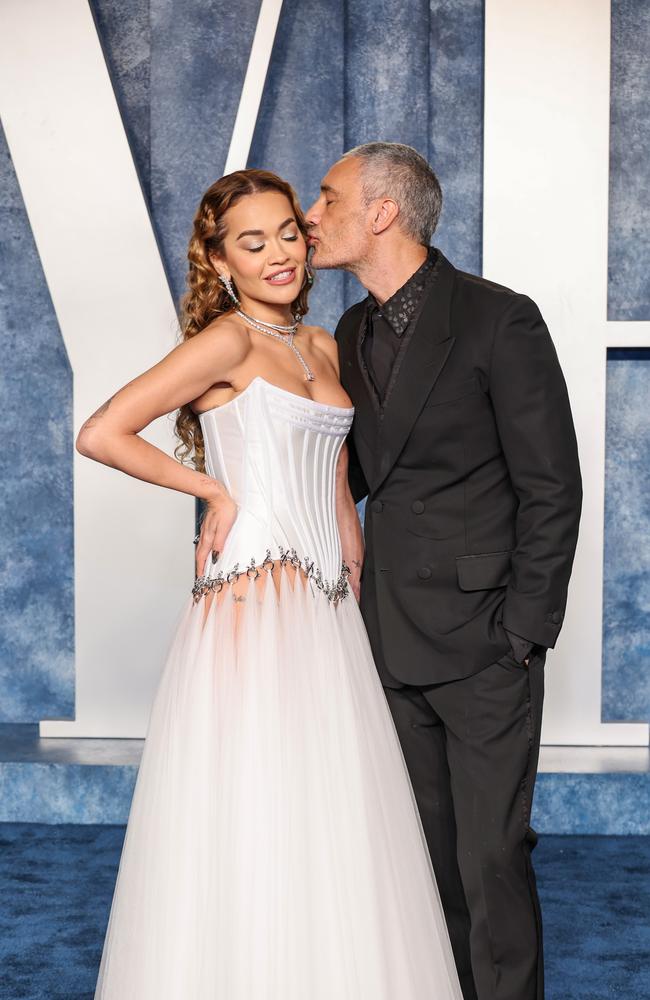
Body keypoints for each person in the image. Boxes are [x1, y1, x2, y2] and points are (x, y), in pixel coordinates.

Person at [77, 168, 463, 999]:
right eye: (253, 243)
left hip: (326, 603)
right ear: (221, 263)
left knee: (333, 811)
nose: (281, 253)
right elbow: (103, 432)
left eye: (289, 231)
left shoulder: (323, 345)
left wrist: (353, 555)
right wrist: (211, 491)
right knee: (260, 801)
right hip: (255, 595)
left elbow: (333, 473)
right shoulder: (227, 342)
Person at [306, 142, 583, 1000]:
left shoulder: (502, 319)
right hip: (386, 637)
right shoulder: (350, 330)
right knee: (425, 855)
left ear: (381, 211)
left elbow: (551, 487)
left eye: (327, 197)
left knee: (491, 855)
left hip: (485, 642)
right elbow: (350, 472)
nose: (310, 216)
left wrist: (524, 633)